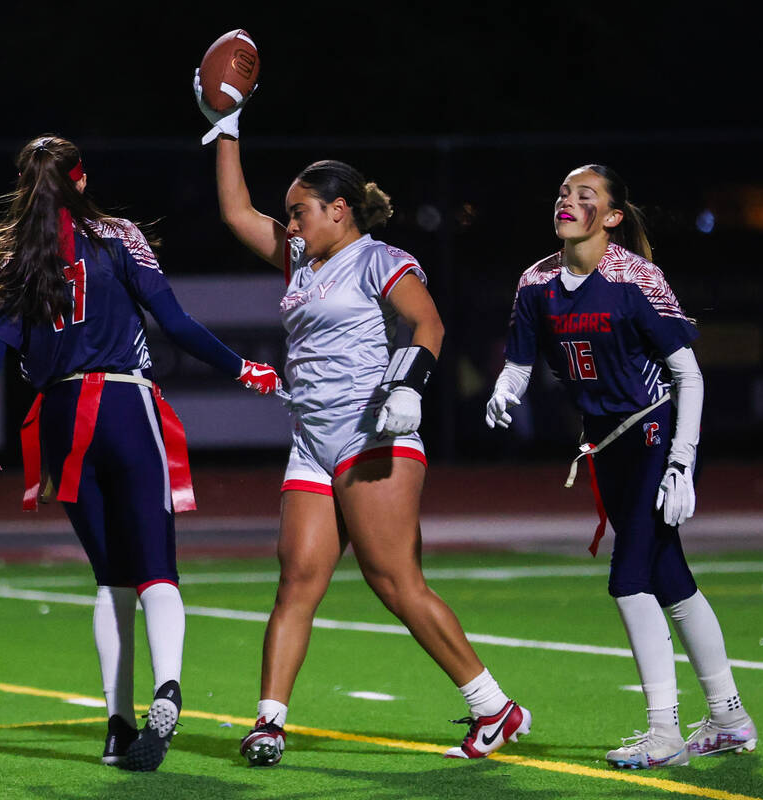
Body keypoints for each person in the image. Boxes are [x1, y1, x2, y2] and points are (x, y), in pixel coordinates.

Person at [193, 77, 530, 766]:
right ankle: (269, 722)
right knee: (296, 580)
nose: (289, 225)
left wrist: (409, 385)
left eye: (299, 212)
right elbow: (234, 213)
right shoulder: (299, 259)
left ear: (339, 210)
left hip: (373, 431)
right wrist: (225, 125)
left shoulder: (377, 257)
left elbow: (427, 321)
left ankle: (495, 708)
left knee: (393, 580)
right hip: (311, 442)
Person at [0, 134, 281, 772]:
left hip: (61, 419)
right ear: (81, 177)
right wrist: (243, 369)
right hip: (125, 405)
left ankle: (118, 727)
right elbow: (174, 324)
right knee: (156, 565)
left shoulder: (15, 258)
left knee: (109, 576)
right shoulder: (118, 234)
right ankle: (170, 688)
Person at [484, 164, 758, 769]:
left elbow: (689, 374)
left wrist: (682, 463)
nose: (566, 202)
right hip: (606, 443)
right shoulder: (536, 282)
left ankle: (665, 733)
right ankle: (730, 718)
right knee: (670, 579)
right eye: (562, 192)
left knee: (629, 577)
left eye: (584, 196)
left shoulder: (635, 277)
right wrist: (506, 389)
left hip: (658, 430)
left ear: (610, 217)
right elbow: (521, 362)